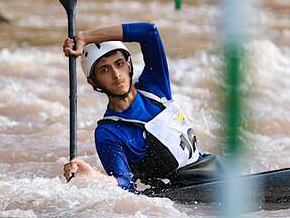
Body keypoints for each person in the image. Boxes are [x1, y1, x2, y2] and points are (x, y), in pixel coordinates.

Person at [61, 22, 219, 191]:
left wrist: (86, 37)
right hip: (182, 193)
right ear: (92, 82)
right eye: (104, 70)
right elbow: (125, 186)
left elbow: (149, 32)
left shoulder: (155, 86)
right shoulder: (108, 132)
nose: (116, 74)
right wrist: (94, 177)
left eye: (119, 63)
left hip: (210, 171)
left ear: (129, 64)